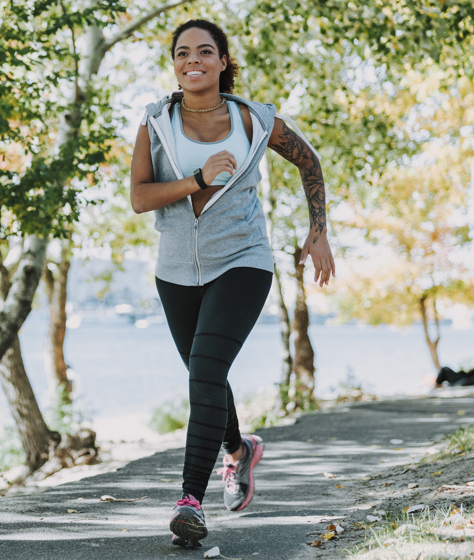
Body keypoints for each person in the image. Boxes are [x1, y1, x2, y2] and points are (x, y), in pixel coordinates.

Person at [130, 19, 336, 549]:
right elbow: (140, 197)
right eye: (182, 53)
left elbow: (308, 160)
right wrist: (197, 179)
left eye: (204, 51)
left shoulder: (253, 120)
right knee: (207, 377)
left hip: (243, 260)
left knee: (205, 370)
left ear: (223, 61)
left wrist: (318, 232)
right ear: (174, 64)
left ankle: (189, 503)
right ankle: (240, 450)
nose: (192, 60)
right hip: (176, 270)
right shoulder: (156, 123)